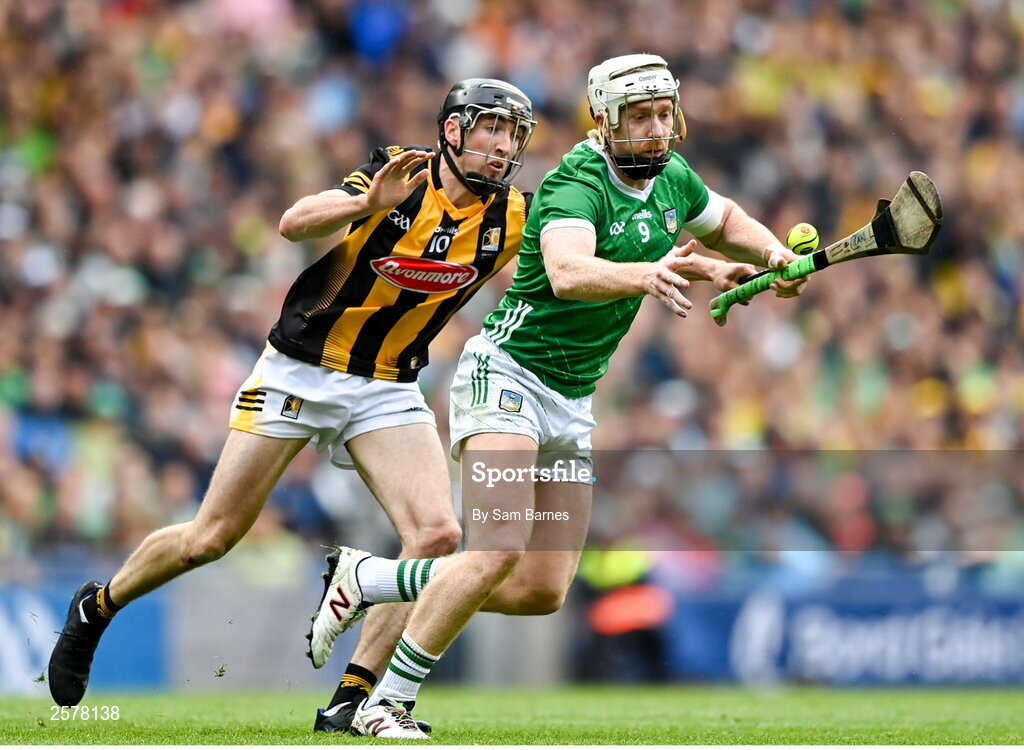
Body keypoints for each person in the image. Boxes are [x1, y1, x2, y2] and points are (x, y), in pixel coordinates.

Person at [308, 53, 807, 739]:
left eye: (665, 113)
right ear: (604, 120)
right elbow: (569, 273)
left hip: (572, 399)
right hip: (507, 376)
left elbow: (724, 221)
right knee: (493, 549)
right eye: (641, 116)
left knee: (539, 590)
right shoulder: (578, 181)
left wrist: (773, 255)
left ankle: (368, 581)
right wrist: (647, 275)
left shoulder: (672, 177)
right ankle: (386, 704)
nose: (658, 129)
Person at [46, 78, 538, 736]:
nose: (504, 146)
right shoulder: (401, 172)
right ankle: (98, 608)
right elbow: (292, 222)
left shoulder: (513, 215)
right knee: (211, 537)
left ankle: (352, 700)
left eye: (513, 134)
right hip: (301, 370)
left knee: (438, 536)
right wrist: (365, 202)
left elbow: (577, 250)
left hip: (388, 385)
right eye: (491, 129)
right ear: (453, 130)